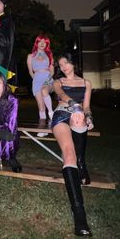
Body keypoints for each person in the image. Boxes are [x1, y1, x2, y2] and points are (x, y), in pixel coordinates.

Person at [51, 53, 94, 237]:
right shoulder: (57, 82)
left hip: (78, 116)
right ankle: (79, 217)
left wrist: (88, 116)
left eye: (66, 63)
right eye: (60, 65)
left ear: (73, 63)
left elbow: (86, 107)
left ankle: (82, 162)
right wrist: (73, 105)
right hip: (62, 114)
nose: (63, 67)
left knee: (80, 117)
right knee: (69, 155)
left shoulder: (86, 83)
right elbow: (60, 94)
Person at [27, 35, 54, 136]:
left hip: (47, 78)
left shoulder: (50, 55)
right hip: (37, 80)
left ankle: (51, 112)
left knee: (44, 90)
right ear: (36, 43)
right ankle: (43, 130)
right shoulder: (30, 56)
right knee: (41, 108)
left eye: (45, 42)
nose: (42, 43)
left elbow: (52, 71)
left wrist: (47, 79)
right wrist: (36, 79)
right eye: (40, 41)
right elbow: (30, 72)